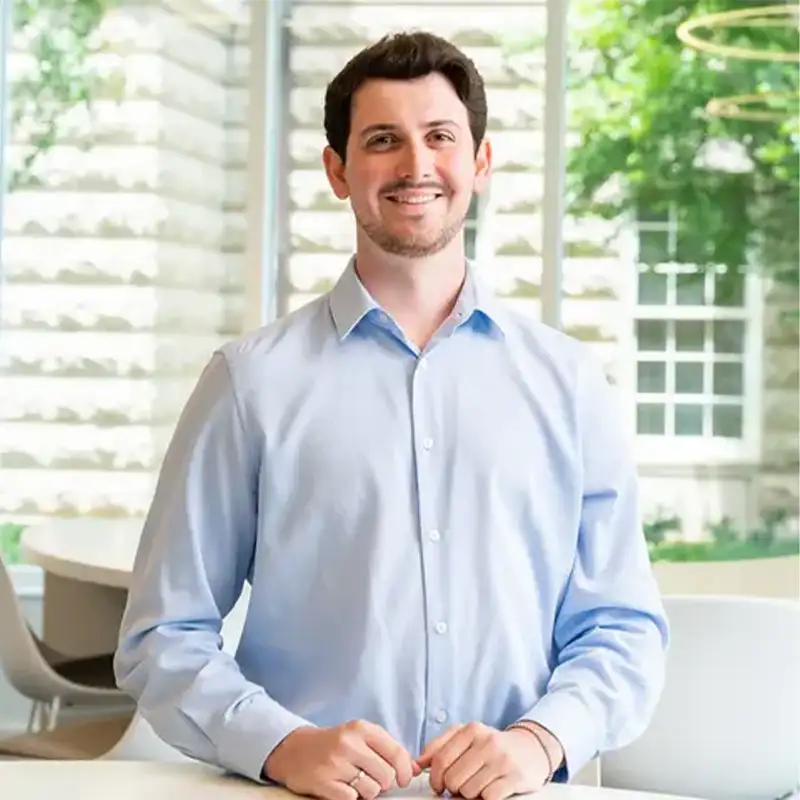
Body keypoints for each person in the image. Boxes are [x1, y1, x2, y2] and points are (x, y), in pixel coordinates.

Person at [114, 30, 669, 800]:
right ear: (338, 171)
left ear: (479, 161)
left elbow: (624, 629)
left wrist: (540, 743)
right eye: (383, 140)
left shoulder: (570, 383)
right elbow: (160, 637)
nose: (415, 165)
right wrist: (282, 745)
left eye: (440, 136)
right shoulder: (249, 383)